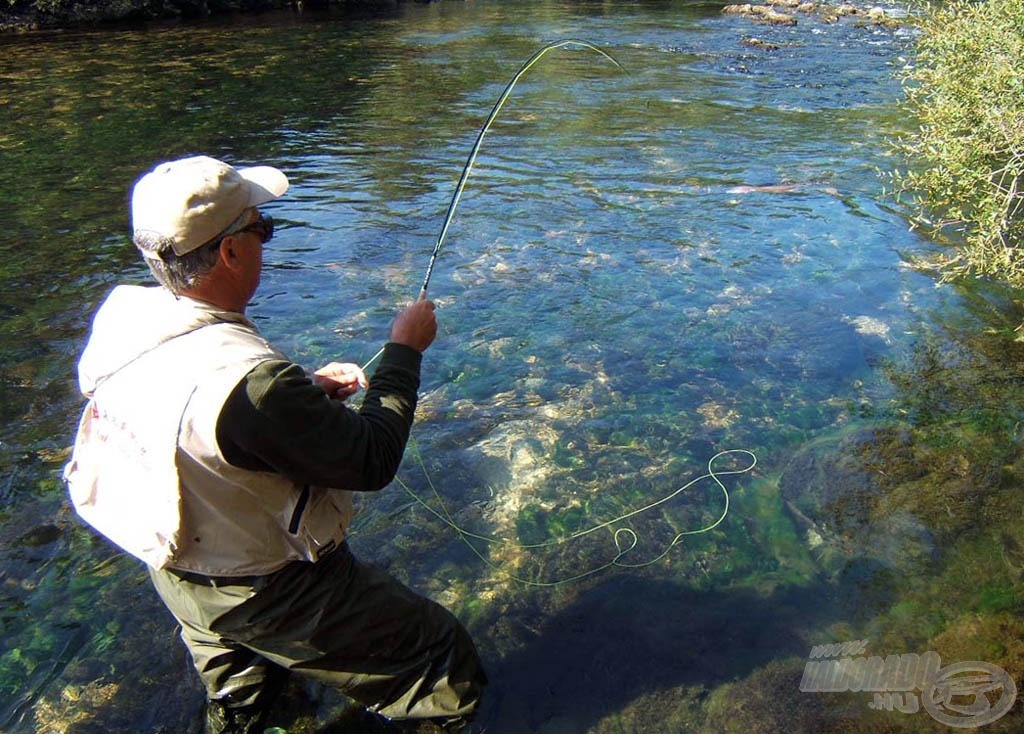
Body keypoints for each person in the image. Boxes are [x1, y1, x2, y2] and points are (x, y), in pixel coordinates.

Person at [63, 155, 487, 733]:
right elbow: (371, 459)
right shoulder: (253, 387)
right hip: (264, 587)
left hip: (176, 573)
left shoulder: (125, 325)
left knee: (248, 706)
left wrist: (305, 395)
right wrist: (403, 353)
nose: (266, 240)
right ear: (232, 251)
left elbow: (192, 417)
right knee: (441, 661)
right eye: (262, 228)